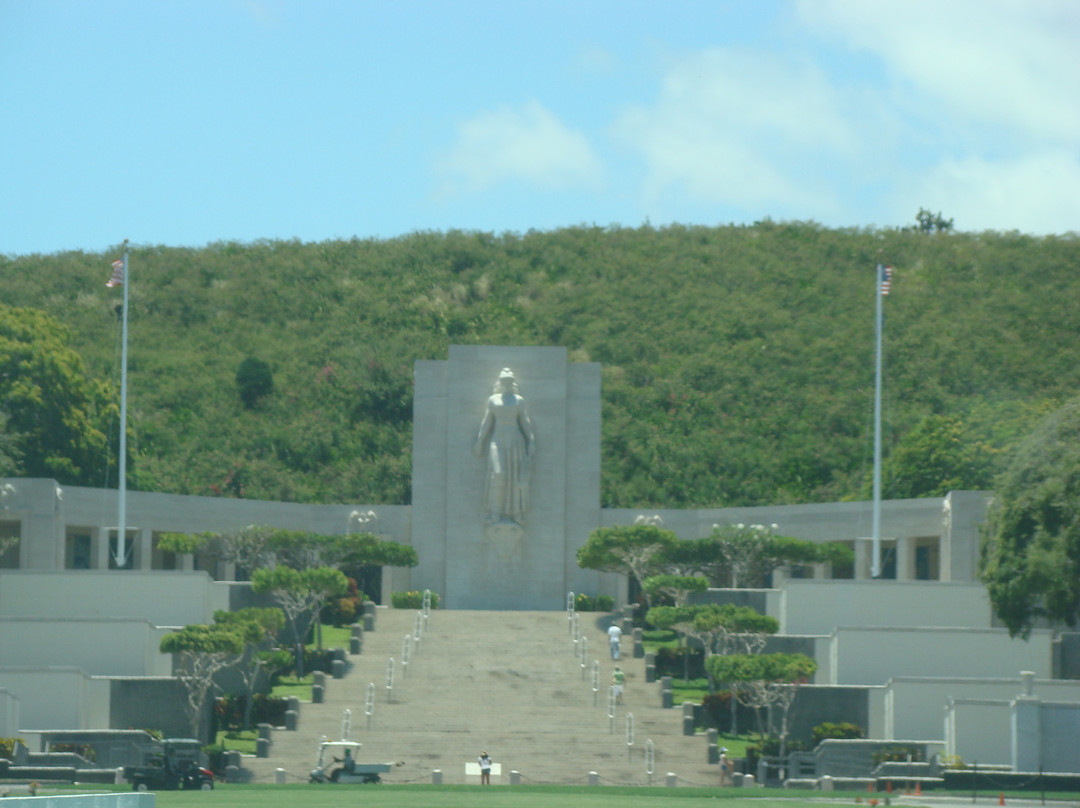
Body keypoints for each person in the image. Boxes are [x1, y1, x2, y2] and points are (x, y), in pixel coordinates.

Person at [474, 368, 535, 525]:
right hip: (497, 440)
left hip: (515, 440)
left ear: (512, 382)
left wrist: (531, 439)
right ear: (500, 383)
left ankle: (516, 512)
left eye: (509, 381)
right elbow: (487, 421)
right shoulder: (493, 400)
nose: (506, 384)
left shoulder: (518, 400)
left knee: (514, 477)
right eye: (503, 381)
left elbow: (525, 421)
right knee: (498, 474)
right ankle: (495, 512)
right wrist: (480, 441)